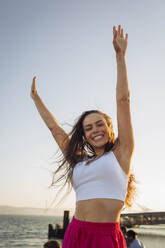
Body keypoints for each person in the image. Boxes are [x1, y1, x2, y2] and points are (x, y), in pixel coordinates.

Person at [31, 25, 136, 248]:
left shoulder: (121, 153)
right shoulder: (79, 161)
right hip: (76, 233)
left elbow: (123, 101)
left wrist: (120, 57)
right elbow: (55, 130)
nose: (95, 130)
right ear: (85, 136)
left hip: (106, 237)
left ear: (109, 128)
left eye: (100, 124)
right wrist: (36, 99)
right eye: (88, 128)